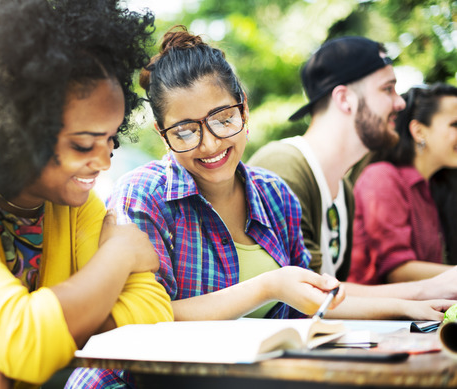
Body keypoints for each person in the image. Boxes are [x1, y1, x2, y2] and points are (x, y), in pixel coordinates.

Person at [67, 27, 454, 389]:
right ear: (162, 134)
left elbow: (312, 302)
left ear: (244, 109)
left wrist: (410, 307)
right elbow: (140, 322)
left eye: (223, 119)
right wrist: (267, 287)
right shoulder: (144, 195)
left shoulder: (274, 194)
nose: (210, 144)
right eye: (185, 130)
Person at [0, 0, 173, 388]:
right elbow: (26, 341)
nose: (104, 162)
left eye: (111, 140)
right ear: (15, 134)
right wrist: (118, 255)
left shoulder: (77, 207)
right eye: (84, 145)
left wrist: (24, 343)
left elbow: (153, 308)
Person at [247, 36, 457, 303]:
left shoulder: (343, 191)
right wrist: (428, 291)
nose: (400, 102)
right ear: (345, 99)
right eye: (387, 89)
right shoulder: (282, 166)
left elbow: (335, 291)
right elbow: (305, 297)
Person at [350, 83, 457, 284]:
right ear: (419, 131)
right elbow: (397, 270)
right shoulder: (381, 178)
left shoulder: (433, 186)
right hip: (369, 313)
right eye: (455, 124)